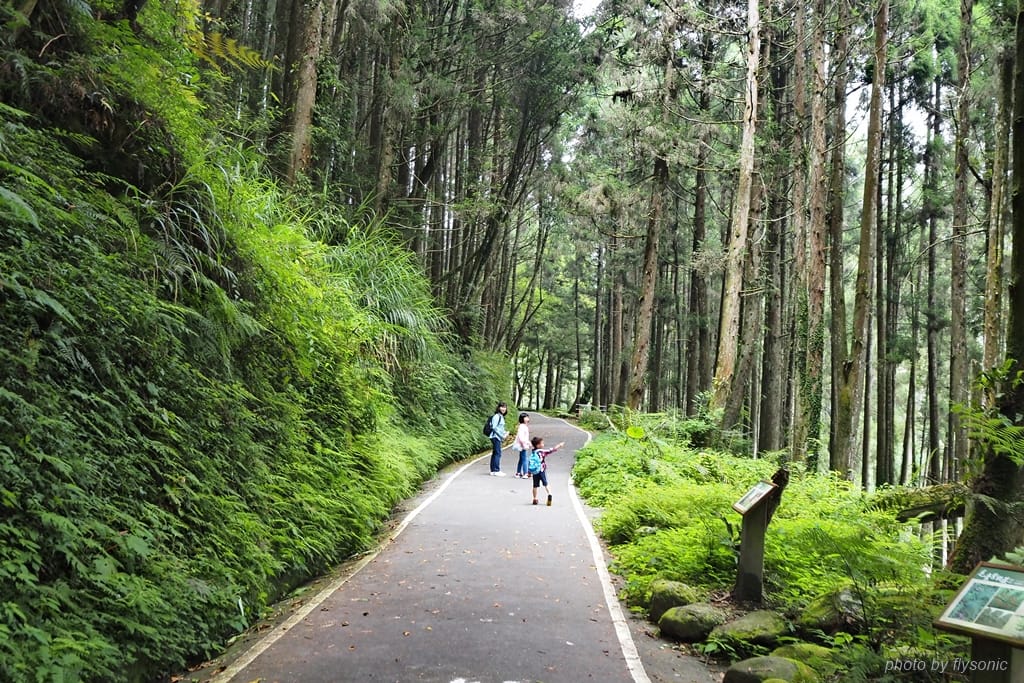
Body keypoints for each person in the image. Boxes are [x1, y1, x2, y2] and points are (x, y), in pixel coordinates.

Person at [529, 436, 565, 505]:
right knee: (545, 483)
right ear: (538, 445)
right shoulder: (542, 452)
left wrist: (529, 472)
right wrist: (559, 445)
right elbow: (551, 450)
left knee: (535, 485)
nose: (543, 444)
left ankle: (535, 498)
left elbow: (531, 462)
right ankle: (549, 494)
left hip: (535, 471)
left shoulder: (533, 452)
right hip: (541, 470)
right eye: (542, 443)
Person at [487, 402, 508, 476]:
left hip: (497, 437)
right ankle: (496, 470)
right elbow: (494, 427)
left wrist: (505, 433)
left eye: (504, 407)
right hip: (495, 437)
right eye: (502, 407)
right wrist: (502, 435)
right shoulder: (497, 416)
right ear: (498, 408)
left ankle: (493, 470)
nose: (503, 409)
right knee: (498, 453)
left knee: (495, 453)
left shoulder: (501, 416)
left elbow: (500, 428)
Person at [512, 413, 531, 478]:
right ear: (522, 419)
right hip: (522, 445)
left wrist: (528, 442)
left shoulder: (524, 426)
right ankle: (525, 473)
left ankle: (518, 472)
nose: (527, 418)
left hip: (523, 444)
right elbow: (521, 437)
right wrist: (524, 444)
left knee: (521, 459)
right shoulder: (522, 426)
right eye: (525, 417)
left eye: (527, 417)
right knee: (525, 459)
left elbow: (525, 437)